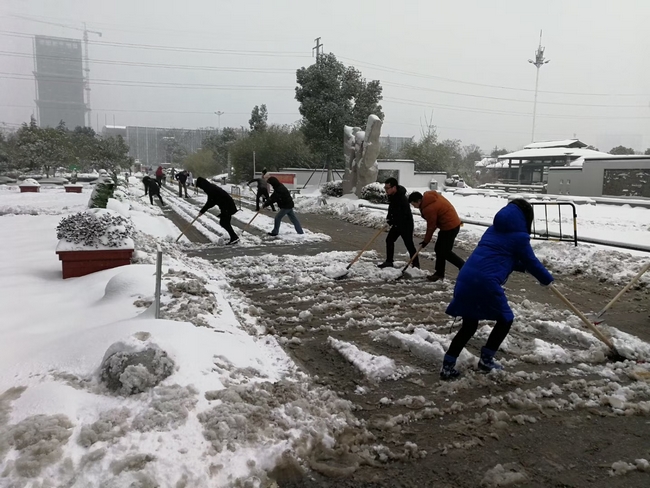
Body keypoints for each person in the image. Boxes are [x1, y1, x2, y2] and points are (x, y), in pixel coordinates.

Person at [440, 199, 554, 380]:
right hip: (485, 282)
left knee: (469, 326)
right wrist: (547, 280)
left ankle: (447, 365)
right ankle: (486, 359)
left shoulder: (492, 230)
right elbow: (531, 261)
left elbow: (498, 256)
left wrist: (522, 268)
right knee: (505, 318)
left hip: (467, 277)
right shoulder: (520, 237)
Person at [408, 191, 465, 282]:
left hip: (450, 227)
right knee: (439, 249)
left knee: (445, 251)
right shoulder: (429, 198)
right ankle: (439, 273)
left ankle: (463, 266)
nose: (413, 206)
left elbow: (431, 226)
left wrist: (426, 241)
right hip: (449, 225)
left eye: (413, 204)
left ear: (419, 201)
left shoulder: (429, 208)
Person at [378, 177, 419, 269]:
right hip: (397, 223)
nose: (386, 190)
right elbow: (391, 209)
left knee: (409, 243)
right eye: (385, 188)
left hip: (405, 224)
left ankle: (416, 264)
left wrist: (391, 221)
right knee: (389, 240)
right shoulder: (392, 196)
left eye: (387, 188)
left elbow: (401, 214)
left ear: (394, 187)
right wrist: (388, 219)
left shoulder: (401, 198)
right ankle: (389, 261)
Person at [196, 177, 239, 245]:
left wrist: (202, 211)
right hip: (226, 206)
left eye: (200, 187)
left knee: (224, 222)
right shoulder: (210, 187)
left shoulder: (210, 189)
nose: (201, 188)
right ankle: (234, 236)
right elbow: (212, 201)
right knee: (224, 222)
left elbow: (211, 202)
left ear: (202, 185)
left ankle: (234, 237)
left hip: (227, 206)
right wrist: (203, 210)